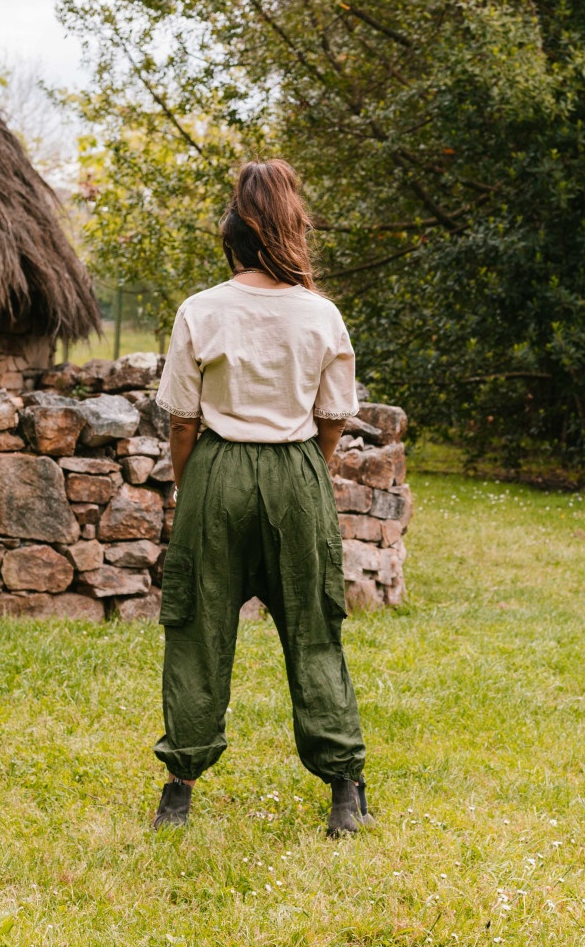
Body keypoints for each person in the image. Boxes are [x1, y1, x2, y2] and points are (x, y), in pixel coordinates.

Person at [151, 159, 372, 837]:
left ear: (233, 232)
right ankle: (344, 795)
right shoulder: (321, 315)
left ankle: (178, 796)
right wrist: (308, 468)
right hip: (296, 474)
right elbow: (334, 414)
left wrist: (195, 489)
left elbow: (182, 420)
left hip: (215, 474)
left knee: (197, 630)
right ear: (292, 229)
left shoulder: (201, 309)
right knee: (314, 629)